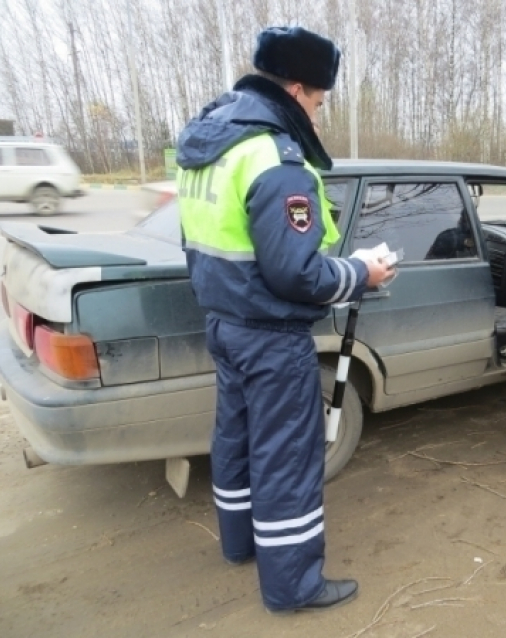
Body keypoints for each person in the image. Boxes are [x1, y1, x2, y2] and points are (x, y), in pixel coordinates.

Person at [175, 26, 395, 614]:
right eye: (319, 102)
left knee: (237, 442)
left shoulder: (207, 148)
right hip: (272, 336)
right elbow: (296, 274)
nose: (318, 116)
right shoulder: (274, 155)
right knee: (288, 458)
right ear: (297, 89)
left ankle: (240, 546)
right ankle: (293, 585)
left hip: (224, 324)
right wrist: (361, 273)